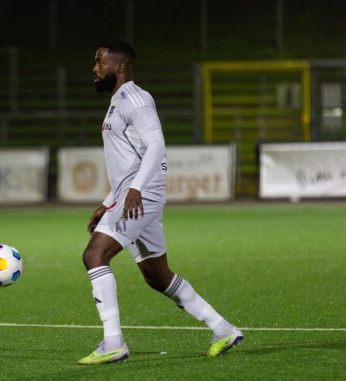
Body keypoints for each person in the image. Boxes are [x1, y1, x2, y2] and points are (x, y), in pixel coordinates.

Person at [77, 39, 243, 365]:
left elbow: (156, 146)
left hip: (141, 197)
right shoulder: (118, 102)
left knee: (94, 255)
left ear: (121, 66)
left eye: (101, 62)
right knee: (157, 276)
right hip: (133, 197)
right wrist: (108, 201)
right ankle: (223, 328)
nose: (95, 69)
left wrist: (135, 191)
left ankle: (113, 342)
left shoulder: (135, 100)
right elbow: (130, 160)